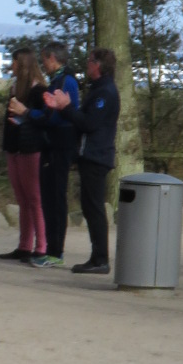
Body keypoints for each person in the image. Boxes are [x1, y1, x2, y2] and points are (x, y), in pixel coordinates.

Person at [71, 47, 120, 276]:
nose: (87, 64)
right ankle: (96, 256)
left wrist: (66, 108)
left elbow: (89, 123)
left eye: (90, 61)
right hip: (91, 154)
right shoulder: (98, 89)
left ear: (98, 65)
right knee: (89, 207)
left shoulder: (105, 92)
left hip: (97, 155)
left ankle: (101, 259)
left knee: (94, 207)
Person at [31, 41, 80, 266]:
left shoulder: (65, 81)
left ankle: (56, 251)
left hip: (60, 144)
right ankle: (51, 248)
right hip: (53, 144)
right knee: (49, 197)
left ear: (52, 58)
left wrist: (29, 114)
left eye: (44, 59)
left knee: (56, 197)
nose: (43, 64)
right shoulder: (58, 80)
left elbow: (55, 116)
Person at [0, 46, 48, 265]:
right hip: (14, 147)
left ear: (22, 64)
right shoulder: (15, 87)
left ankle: (41, 246)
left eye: (15, 62)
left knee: (34, 198)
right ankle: (24, 245)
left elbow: (44, 119)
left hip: (30, 148)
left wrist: (24, 115)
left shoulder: (38, 90)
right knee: (21, 198)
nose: (12, 66)